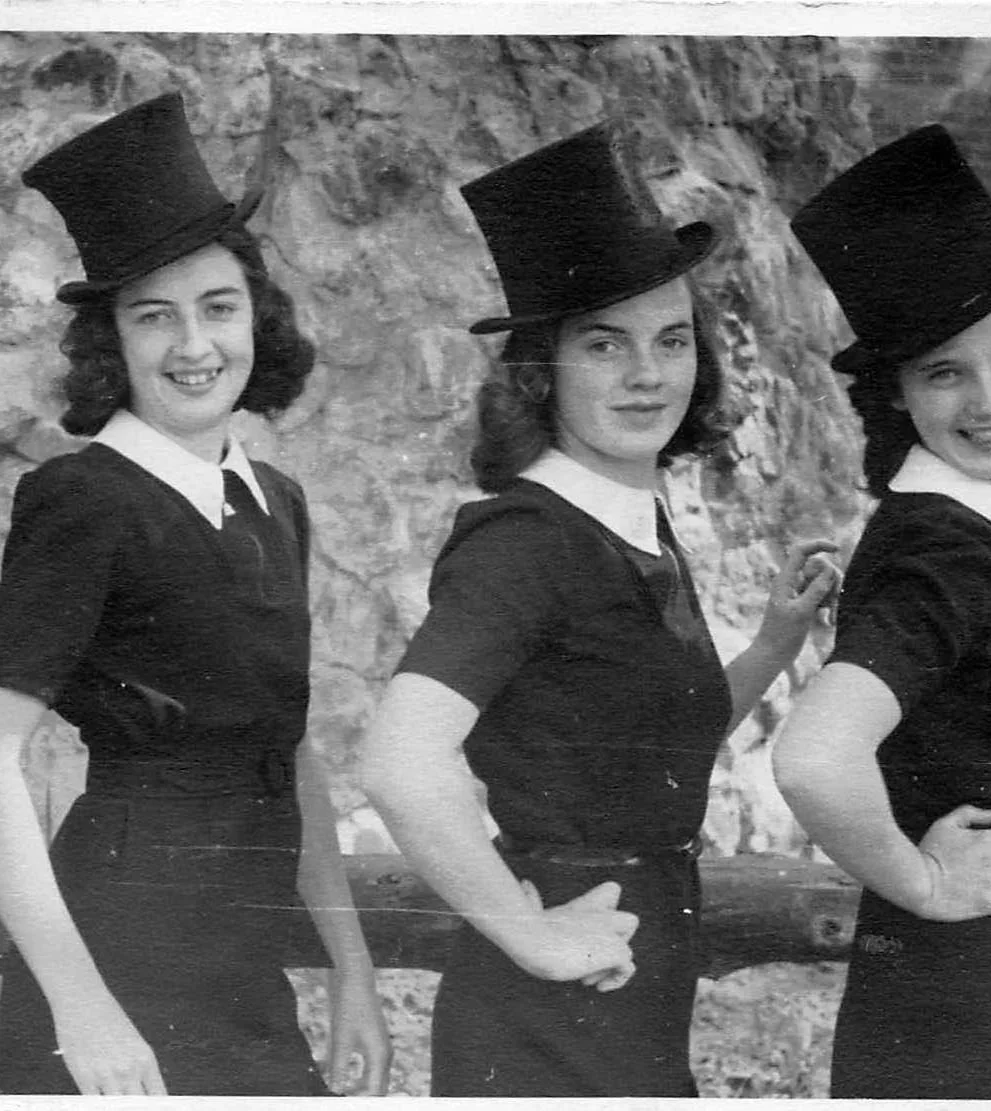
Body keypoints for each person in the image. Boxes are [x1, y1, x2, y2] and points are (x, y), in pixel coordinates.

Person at [361, 119, 840, 1098]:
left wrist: (772, 643)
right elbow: (399, 763)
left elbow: (649, 743)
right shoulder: (525, 540)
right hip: (551, 1000)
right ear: (541, 366)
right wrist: (532, 935)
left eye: (671, 339)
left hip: (638, 968)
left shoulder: (630, 522)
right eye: (604, 343)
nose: (647, 374)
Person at [0, 92, 391, 1096]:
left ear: (256, 316)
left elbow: (286, 747)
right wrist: (80, 1007)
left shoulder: (275, 501)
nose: (193, 345)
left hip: (240, 966)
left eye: (218, 308)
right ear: (112, 342)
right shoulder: (83, 499)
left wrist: (350, 969)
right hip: (114, 962)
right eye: (153, 316)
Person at [774, 123, 991, 1098]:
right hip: (964, 982)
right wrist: (922, 881)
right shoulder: (949, 545)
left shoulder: (978, 510)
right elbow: (812, 757)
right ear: (898, 393)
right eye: (943, 372)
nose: (989, 400)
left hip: (987, 965)